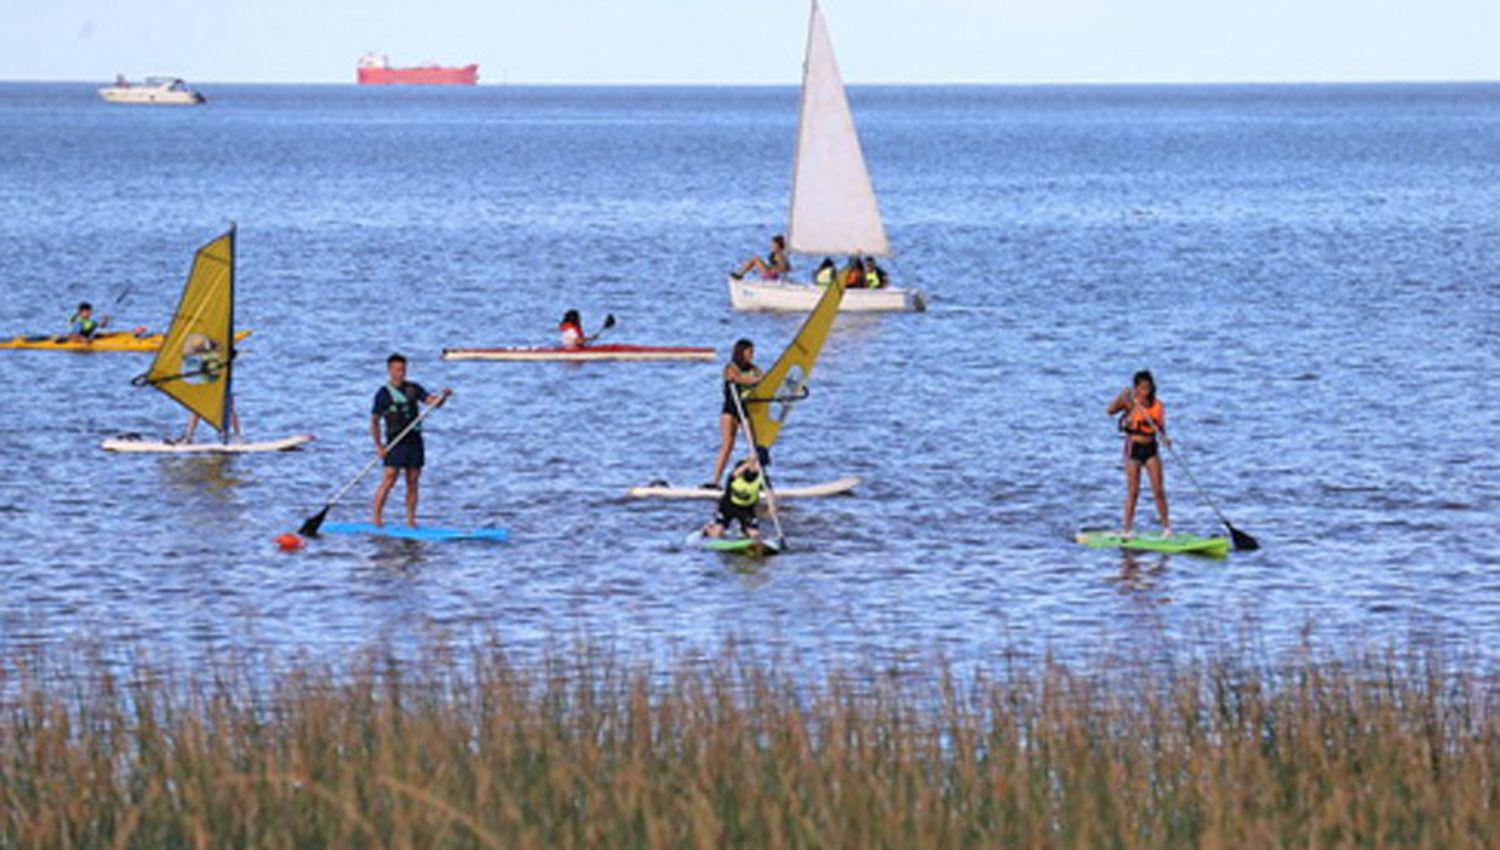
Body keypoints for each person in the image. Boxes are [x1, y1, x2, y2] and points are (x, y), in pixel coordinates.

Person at [371, 353, 451, 528]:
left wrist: (443, 396)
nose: (401, 373)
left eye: (403, 370)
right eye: (397, 370)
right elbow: (375, 421)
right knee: (390, 478)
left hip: (414, 440)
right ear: (390, 370)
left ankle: (410, 521)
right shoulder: (383, 394)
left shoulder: (413, 388)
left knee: (413, 480)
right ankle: (376, 518)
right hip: (395, 441)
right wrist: (378, 445)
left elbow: (433, 403)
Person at [1106, 370, 1171, 538]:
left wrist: (1165, 438)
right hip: (1133, 448)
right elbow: (1110, 411)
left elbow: (1160, 427)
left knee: (1158, 490)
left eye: (1148, 387)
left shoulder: (1157, 405)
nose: (1146, 391)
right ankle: (1127, 530)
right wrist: (1121, 397)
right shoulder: (1130, 404)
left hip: (1151, 448)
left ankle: (1166, 529)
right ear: (1136, 389)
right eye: (1142, 388)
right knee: (1133, 491)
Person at [707, 338, 761, 488]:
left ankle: (756, 478)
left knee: (754, 447)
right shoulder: (731, 367)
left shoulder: (754, 368)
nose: (752, 355)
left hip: (746, 411)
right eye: (750, 352)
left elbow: (762, 378)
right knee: (727, 446)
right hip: (730, 410)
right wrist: (755, 380)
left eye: (753, 352)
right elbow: (736, 379)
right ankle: (715, 481)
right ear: (741, 352)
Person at [703, 455, 766, 540]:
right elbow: (736, 472)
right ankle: (708, 529)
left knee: (754, 535)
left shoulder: (759, 479)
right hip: (728, 507)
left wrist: (772, 507)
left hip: (747, 510)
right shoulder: (733, 478)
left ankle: (745, 533)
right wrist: (750, 461)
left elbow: (770, 492)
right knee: (717, 533)